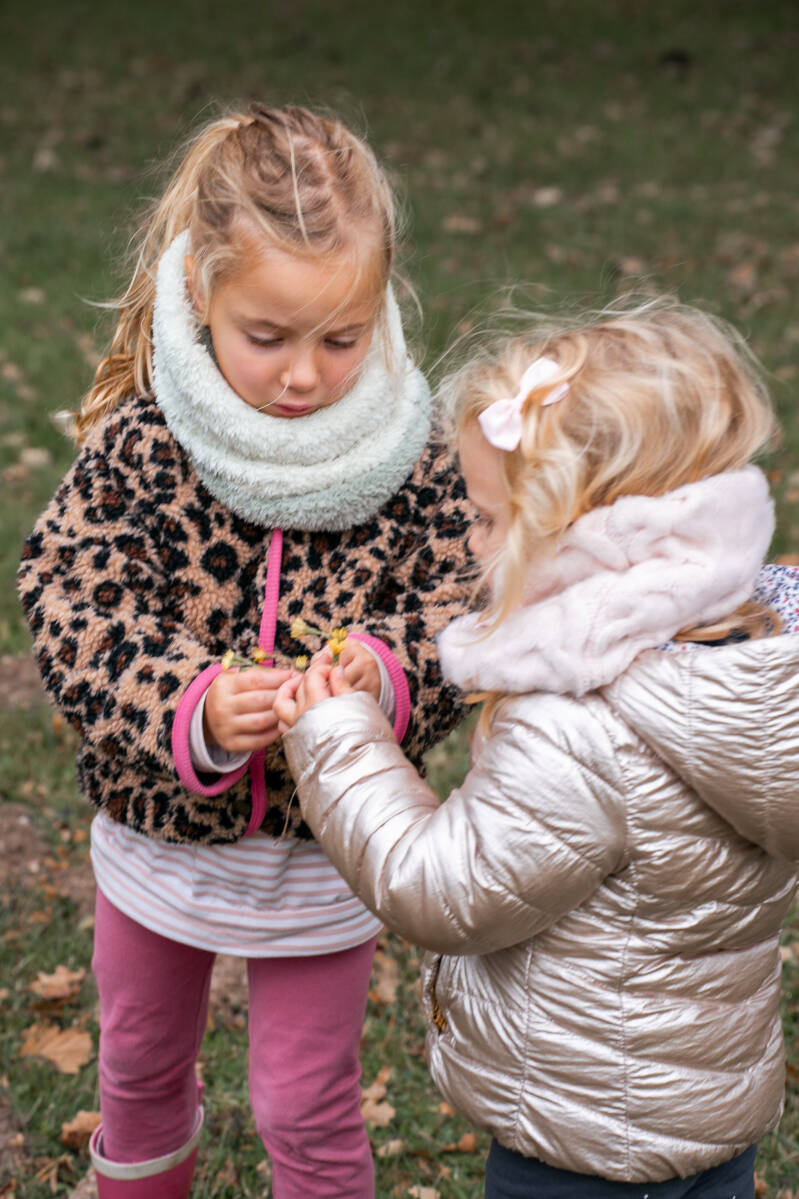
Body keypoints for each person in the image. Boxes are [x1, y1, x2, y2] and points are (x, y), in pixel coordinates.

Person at [17, 102, 473, 1198]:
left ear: (381, 306)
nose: (306, 374)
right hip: (159, 843)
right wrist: (192, 702)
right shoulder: (147, 441)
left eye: (341, 336)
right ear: (198, 298)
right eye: (266, 336)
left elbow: (460, 605)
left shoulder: (409, 455)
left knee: (304, 1099)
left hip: (323, 856)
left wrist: (385, 676)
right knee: (135, 1064)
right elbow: (71, 596)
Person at [275, 296, 799, 1199]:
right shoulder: (749, 663)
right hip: (708, 1113)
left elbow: (443, 886)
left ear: (580, 536)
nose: (468, 540)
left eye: (484, 518)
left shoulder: (583, 722)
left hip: (579, 1136)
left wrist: (335, 739)